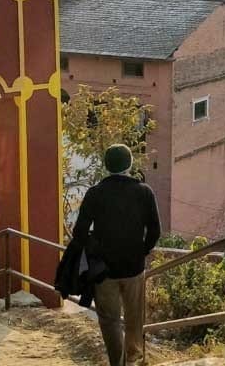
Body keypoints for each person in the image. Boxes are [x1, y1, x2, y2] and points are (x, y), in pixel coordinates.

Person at [70, 144, 161, 366]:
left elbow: (79, 232)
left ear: (106, 166)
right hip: (134, 268)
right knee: (134, 318)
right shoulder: (144, 192)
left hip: (105, 271)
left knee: (110, 320)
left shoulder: (95, 194)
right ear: (129, 165)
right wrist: (142, 251)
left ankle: (116, 363)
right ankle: (133, 358)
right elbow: (155, 230)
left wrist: (96, 251)